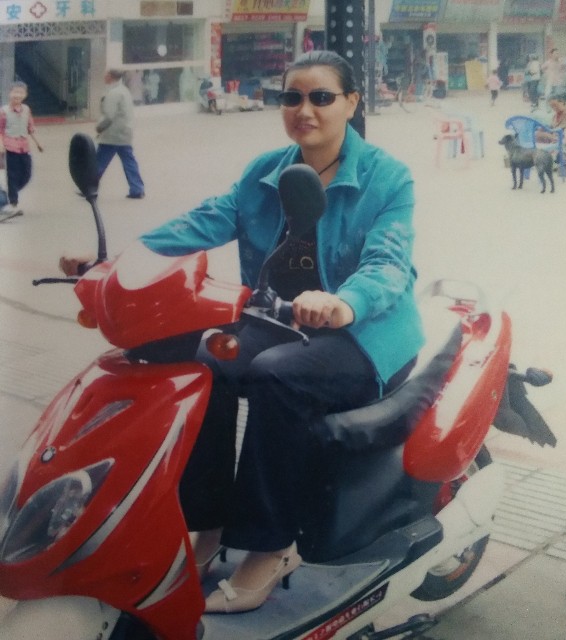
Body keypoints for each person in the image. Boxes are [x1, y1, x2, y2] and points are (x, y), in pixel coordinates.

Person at [60, 51, 424, 614]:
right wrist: (117, 262)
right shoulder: (265, 172)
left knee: (276, 377)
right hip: (280, 319)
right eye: (292, 97)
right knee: (206, 362)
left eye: (321, 97)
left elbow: (389, 264)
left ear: (352, 102)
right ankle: (208, 521)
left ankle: (272, 545)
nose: (304, 110)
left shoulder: (387, 177)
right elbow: (202, 221)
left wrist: (343, 302)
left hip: (364, 334)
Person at [95, 69, 145, 199]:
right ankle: (137, 189)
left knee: (98, 161)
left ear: (110, 77)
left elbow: (109, 116)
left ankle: (89, 186)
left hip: (112, 134)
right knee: (129, 161)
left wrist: (100, 128)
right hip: (125, 132)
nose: (104, 77)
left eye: (106, 75)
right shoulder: (124, 91)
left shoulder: (113, 93)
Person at [0, 81, 43, 222]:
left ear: (25, 95)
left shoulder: (26, 109)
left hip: (23, 146)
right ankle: (10, 202)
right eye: (15, 92)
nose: (17, 95)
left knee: (26, 174)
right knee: (11, 175)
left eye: (20, 92)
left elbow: (30, 127)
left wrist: (38, 143)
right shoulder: (4, 111)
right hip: (9, 146)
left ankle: (8, 195)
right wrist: (1, 145)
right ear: (9, 93)